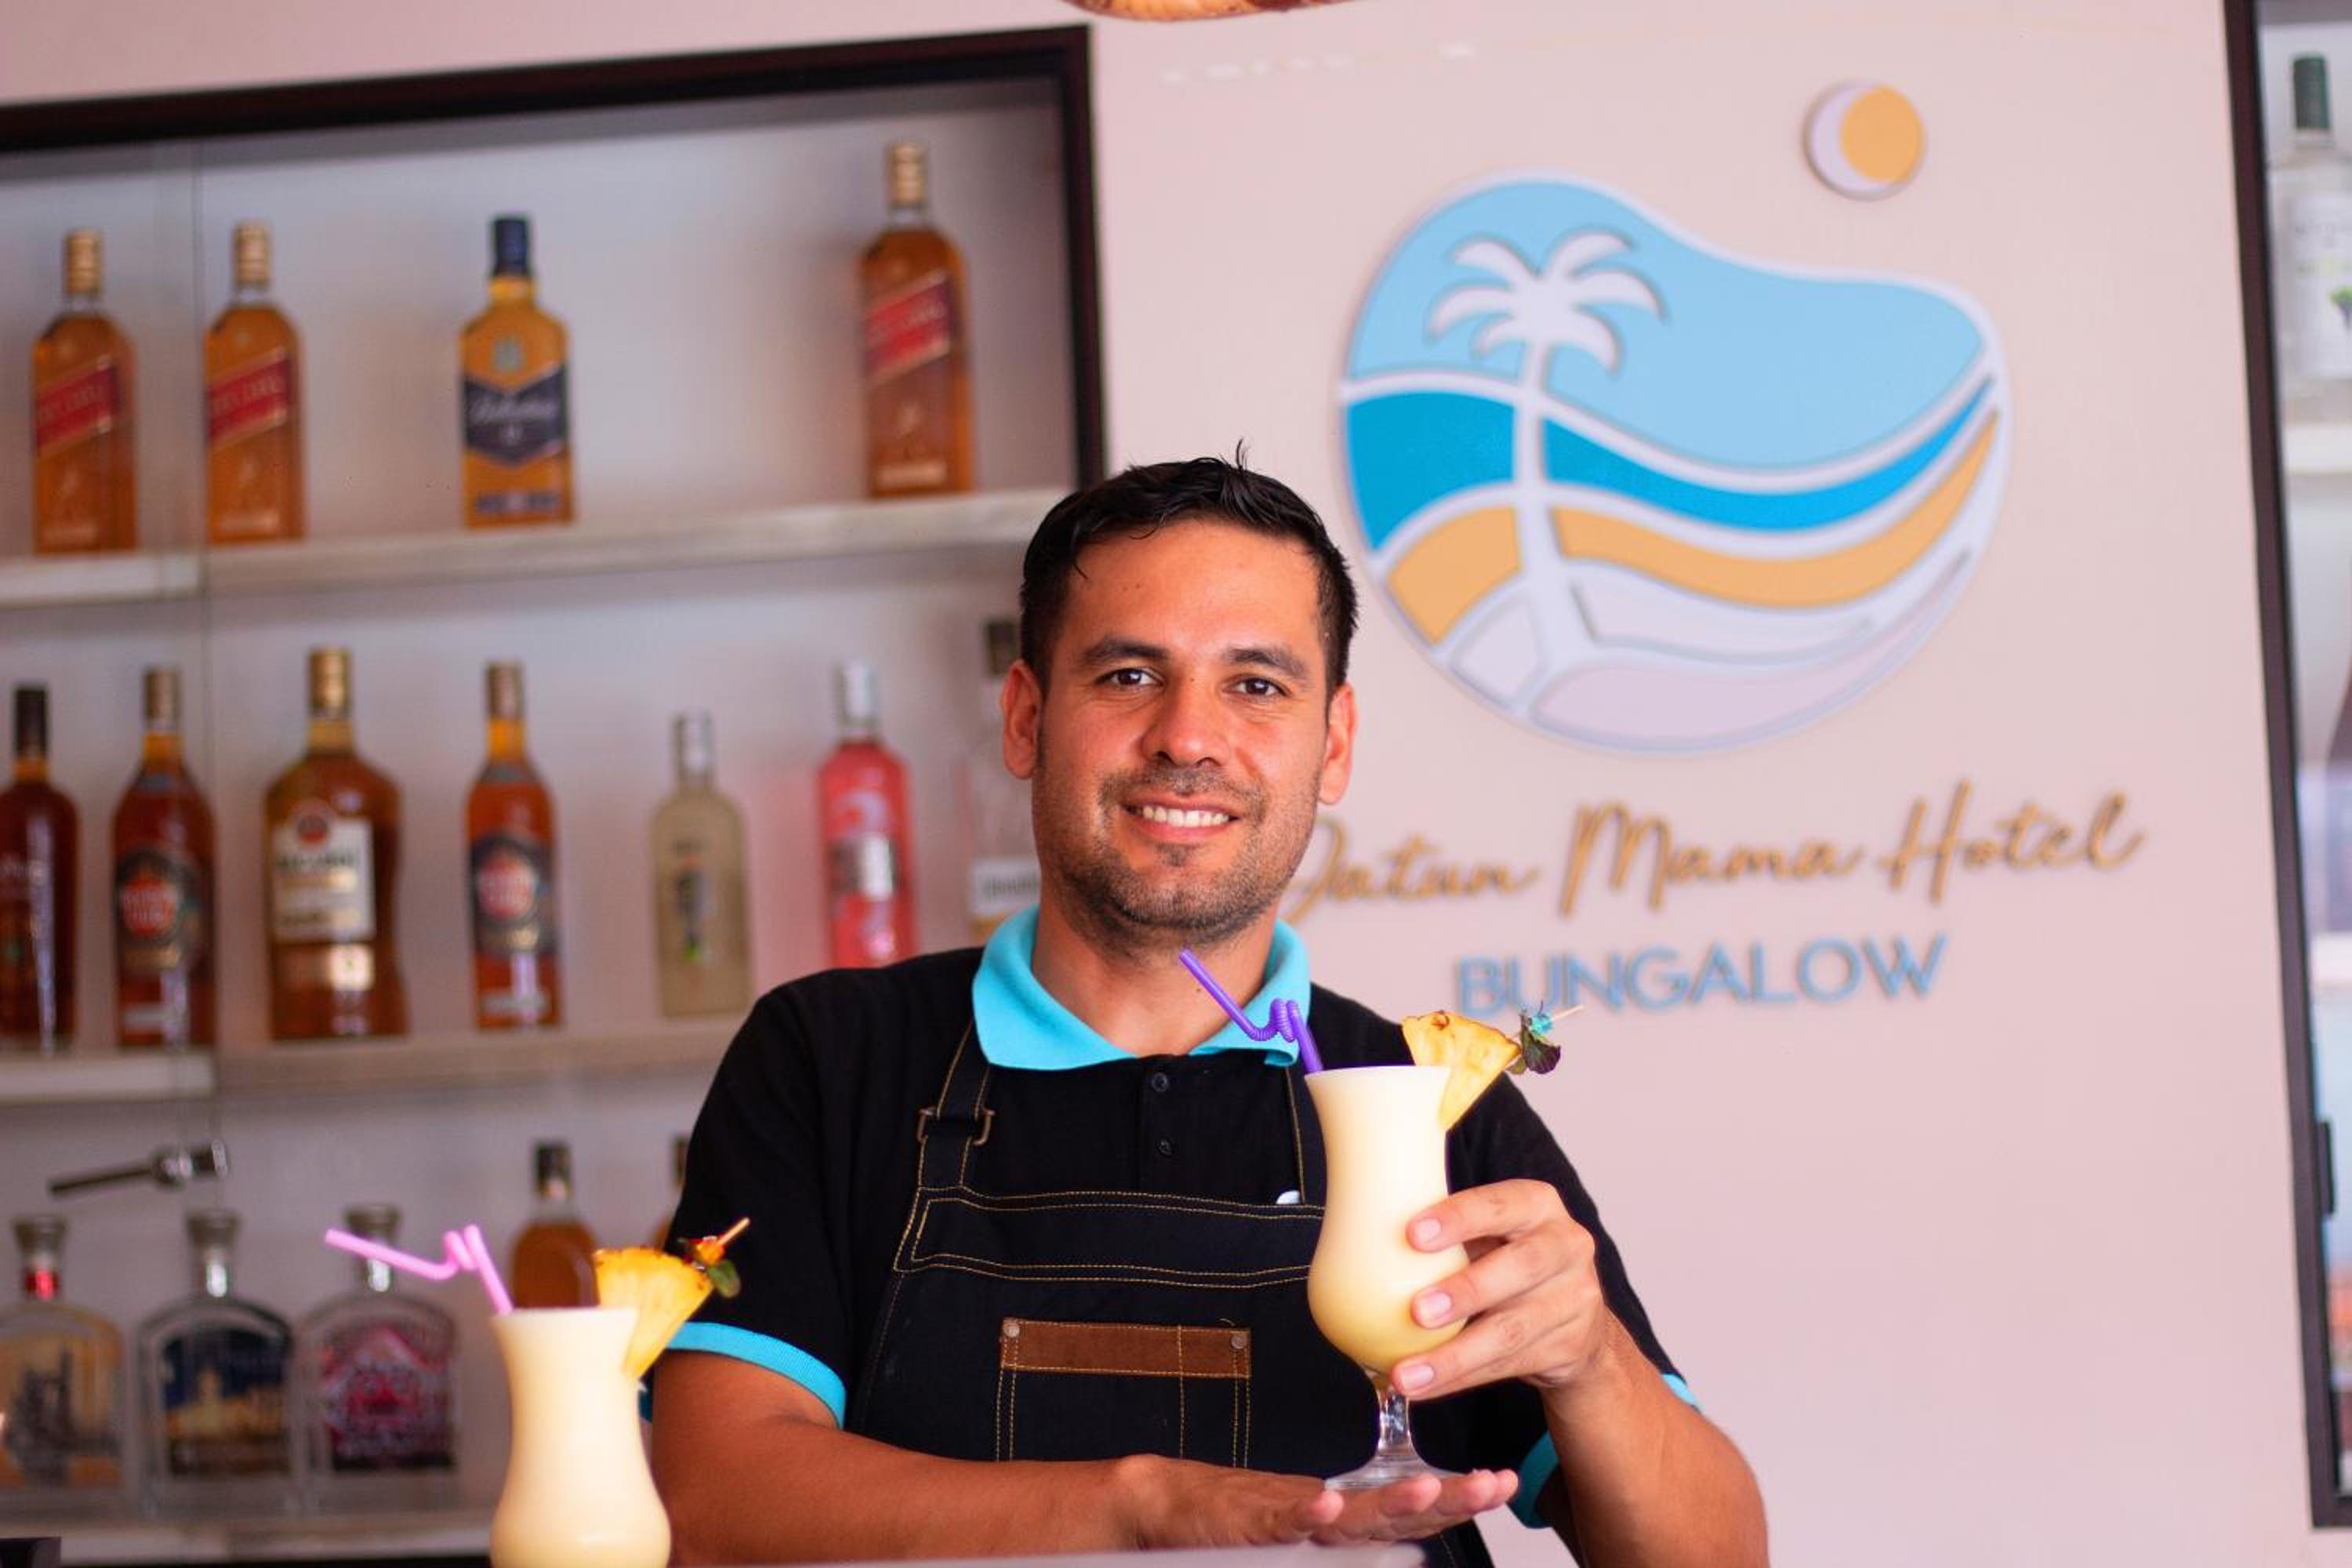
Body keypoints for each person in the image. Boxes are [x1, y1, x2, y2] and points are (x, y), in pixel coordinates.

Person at [651, 456, 1767, 1566]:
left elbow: (1717, 1558)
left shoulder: (1432, 1102)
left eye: (1257, 685)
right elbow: (715, 1496)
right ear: (1027, 719)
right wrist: (1146, 1508)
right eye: (1130, 675)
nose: (1187, 737)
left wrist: (1590, 1361)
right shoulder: (827, 1059)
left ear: (1333, 745)